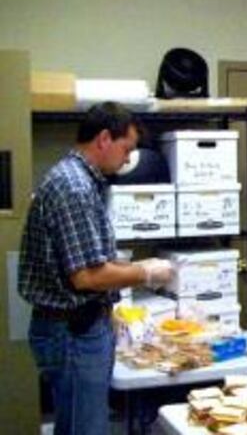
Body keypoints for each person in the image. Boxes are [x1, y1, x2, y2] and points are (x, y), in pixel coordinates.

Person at [18, 102, 175, 435]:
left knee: (76, 424)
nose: (127, 159)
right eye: (126, 149)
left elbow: (92, 260)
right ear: (104, 138)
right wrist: (146, 272)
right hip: (72, 331)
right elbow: (86, 276)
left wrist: (130, 266)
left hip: (76, 328)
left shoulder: (83, 181)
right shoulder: (74, 186)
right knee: (85, 429)